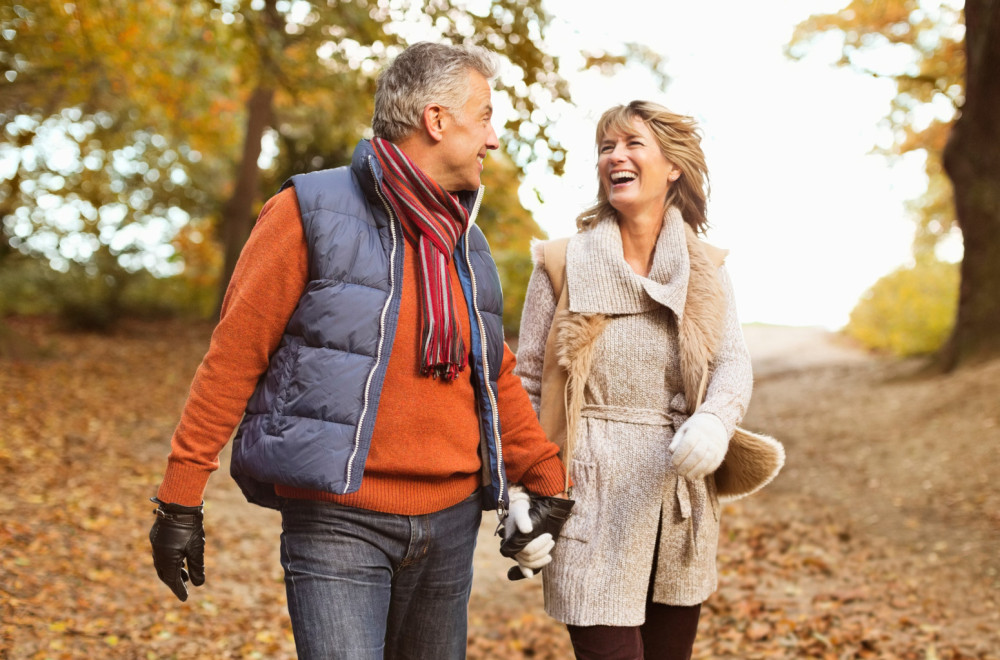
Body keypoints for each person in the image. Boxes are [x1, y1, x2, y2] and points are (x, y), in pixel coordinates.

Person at [147, 42, 569, 660]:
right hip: (339, 521)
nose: (493, 138)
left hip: (451, 524)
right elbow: (234, 356)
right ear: (436, 119)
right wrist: (179, 498)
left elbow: (492, 370)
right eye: (484, 116)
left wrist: (547, 482)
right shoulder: (307, 211)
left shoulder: (466, 242)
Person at [514, 100, 783, 660]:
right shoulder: (561, 264)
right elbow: (528, 381)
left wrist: (714, 419)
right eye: (606, 147)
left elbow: (732, 362)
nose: (616, 156)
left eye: (632, 144)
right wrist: (522, 490)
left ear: (673, 166)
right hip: (589, 494)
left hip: (679, 499)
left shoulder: (705, 268)